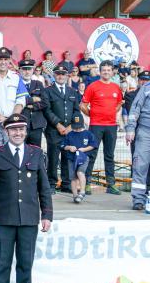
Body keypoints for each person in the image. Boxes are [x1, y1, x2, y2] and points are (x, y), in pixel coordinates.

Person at [0, 114, 53, 283]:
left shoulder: (36, 153)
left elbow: (44, 187)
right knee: (3, 263)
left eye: (21, 129)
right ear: (6, 132)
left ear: (26, 131)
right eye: (13, 129)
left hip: (29, 219)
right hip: (3, 219)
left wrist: (47, 214)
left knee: (25, 263)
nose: (18, 133)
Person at [80, 60, 124, 195]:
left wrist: (112, 113)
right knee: (91, 154)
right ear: (100, 71)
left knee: (109, 155)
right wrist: (92, 114)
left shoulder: (116, 87)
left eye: (108, 70)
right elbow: (82, 105)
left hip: (111, 126)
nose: (106, 72)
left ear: (112, 72)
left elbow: (119, 104)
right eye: (104, 70)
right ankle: (86, 183)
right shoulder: (92, 86)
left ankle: (111, 185)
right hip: (96, 126)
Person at [42, 65, 81, 194]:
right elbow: (47, 110)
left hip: (69, 131)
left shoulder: (72, 92)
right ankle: (51, 184)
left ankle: (66, 183)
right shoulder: (47, 91)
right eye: (58, 74)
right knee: (53, 158)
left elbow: (76, 111)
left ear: (67, 76)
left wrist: (70, 127)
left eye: (63, 74)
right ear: (54, 75)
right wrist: (58, 124)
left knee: (67, 158)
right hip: (54, 130)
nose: (60, 76)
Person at [0, 47, 27, 156]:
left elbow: (21, 101)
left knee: (13, 153)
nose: (3, 62)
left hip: (12, 122)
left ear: (9, 61)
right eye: (0, 59)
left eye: (6, 59)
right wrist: (2, 118)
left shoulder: (16, 78)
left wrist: (11, 118)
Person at [126, 70, 150, 210]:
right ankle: (138, 200)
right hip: (145, 132)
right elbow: (135, 109)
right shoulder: (146, 89)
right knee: (140, 165)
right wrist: (130, 129)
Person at [61, 114, 98, 203]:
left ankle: (82, 191)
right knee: (73, 177)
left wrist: (84, 149)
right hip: (71, 158)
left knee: (80, 172)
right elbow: (62, 146)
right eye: (75, 127)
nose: (77, 129)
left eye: (79, 127)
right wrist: (69, 147)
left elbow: (93, 145)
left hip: (83, 158)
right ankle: (75, 195)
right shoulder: (69, 134)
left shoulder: (88, 134)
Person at [18, 59, 47, 147]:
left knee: (35, 152)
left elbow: (45, 102)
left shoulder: (38, 84)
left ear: (33, 70)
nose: (27, 72)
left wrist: (32, 106)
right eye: (24, 69)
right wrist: (31, 100)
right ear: (20, 70)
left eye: (29, 69)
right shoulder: (15, 84)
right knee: (20, 151)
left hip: (36, 124)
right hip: (21, 123)